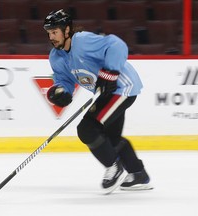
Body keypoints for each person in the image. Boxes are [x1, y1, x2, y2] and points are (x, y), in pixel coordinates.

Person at [43, 9, 153, 194]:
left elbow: (117, 45)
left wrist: (110, 72)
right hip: (109, 92)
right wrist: (60, 92)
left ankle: (114, 167)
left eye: (55, 32)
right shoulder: (56, 56)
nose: (51, 37)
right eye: (49, 33)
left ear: (67, 30)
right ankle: (138, 174)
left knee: (87, 129)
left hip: (122, 88)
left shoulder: (82, 41)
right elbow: (64, 80)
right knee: (110, 138)